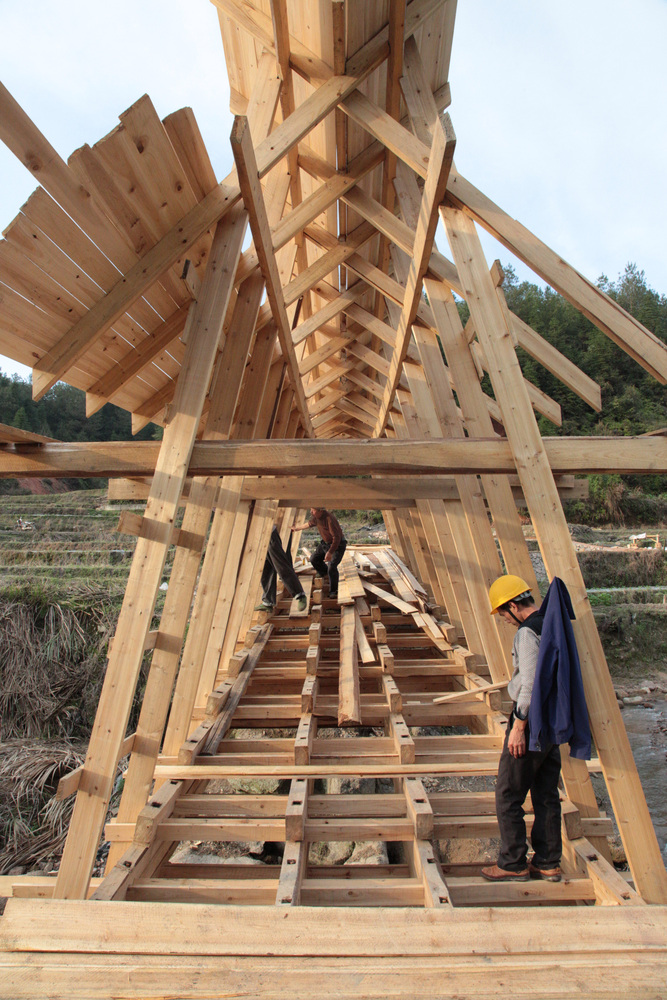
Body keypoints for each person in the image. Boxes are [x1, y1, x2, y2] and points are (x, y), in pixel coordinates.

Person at [481, 574, 562, 883]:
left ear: (514, 605)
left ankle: (512, 862)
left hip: (532, 724)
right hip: (553, 722)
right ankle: (547, 863)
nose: (504, 620)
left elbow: (528, 684)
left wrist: (518, 726)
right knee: (545, 793)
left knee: (508, 793)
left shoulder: (527, 634)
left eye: (503, 613)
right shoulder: (551, 623)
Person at [291, 507, 347, 599]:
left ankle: (334, 591)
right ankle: (324, 572)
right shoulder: (317, 517)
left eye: (313, 510)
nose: (311, 512)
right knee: (314, 559)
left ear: (320, 511)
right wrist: (297, 529)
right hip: (325, 543)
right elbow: (308, 524)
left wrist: (330, 552)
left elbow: (336, 538)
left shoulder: (329, 519)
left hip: (338, 546)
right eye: (311, 510)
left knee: (332, 566)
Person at [255, 526, 307, 613]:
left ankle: (300, 594)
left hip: (272, 531)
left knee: (281, 565)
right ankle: (268, 602)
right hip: (260, 532)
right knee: (266, 568)